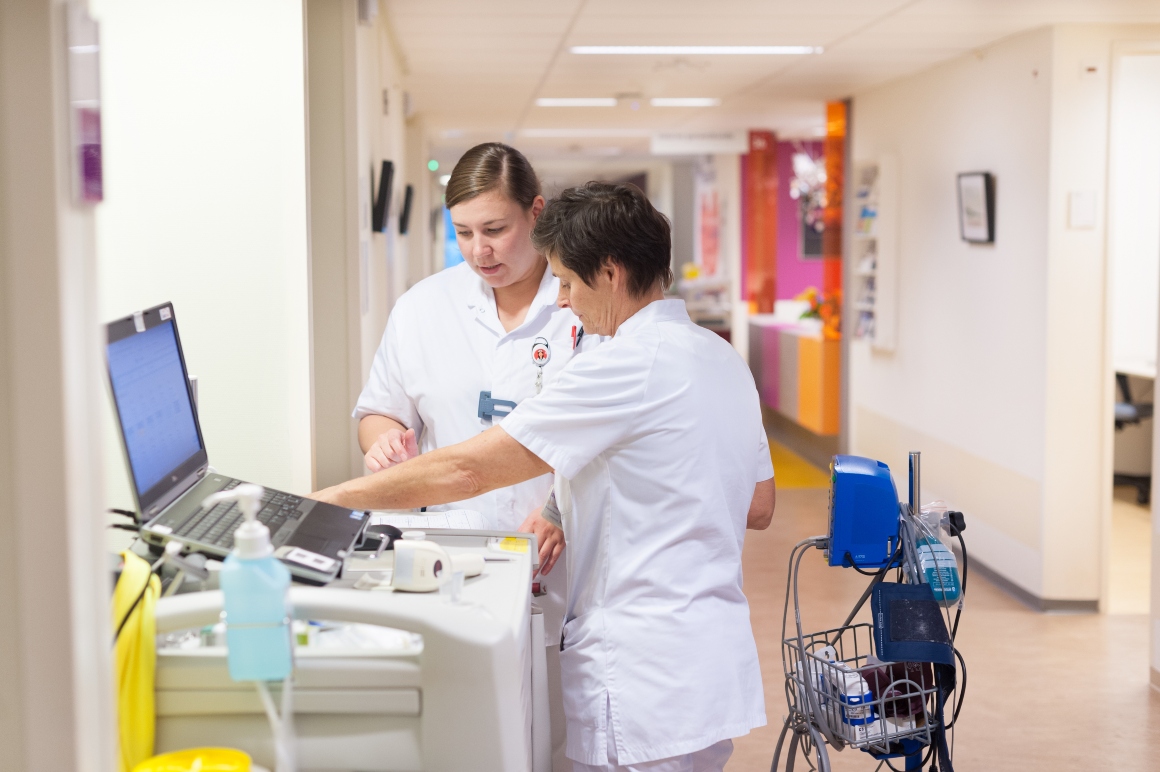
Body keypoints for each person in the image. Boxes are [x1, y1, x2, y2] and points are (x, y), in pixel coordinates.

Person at [317, 181, 776, 772]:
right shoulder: (719, 357)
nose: (561, 302)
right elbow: (758, 503)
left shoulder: (624, 364)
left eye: (565, 282)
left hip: (641, 676)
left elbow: (467, 470)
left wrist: (322, 502)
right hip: (706, 668)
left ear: (608, 273)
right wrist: (587, 500)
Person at [352, 142, 590, 770]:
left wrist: (560, 508)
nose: (479, 250)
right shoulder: (423, 307)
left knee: (558, 737)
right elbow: (378, 411)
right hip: (452, 558)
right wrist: (383, 440)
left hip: (562, 560)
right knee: (468, 736)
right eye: (463, 232)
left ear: (536, 212)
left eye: (495, 229)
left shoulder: (582, 304)